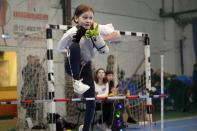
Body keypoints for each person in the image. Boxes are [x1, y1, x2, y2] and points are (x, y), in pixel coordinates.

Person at [57, 4, 119, 131]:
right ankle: (76, 81)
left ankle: (85, 129)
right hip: (72, 65)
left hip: (86, 67)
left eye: (91, 18)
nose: (88, 20)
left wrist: (100, 39)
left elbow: (115, 33)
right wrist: (71, 52)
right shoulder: (71, 32)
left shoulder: (95, 27)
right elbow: (59, 48)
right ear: (76, 19)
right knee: (74, 46)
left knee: (91, 101)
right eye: (85, 17)